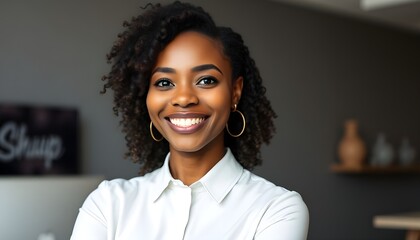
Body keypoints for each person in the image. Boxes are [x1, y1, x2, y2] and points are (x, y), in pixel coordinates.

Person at [71, 1, 309, 239]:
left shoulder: (276, 209)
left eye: (206, 80)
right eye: (164, 83)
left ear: (235, 92)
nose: (184, 98)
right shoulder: (108, 204)